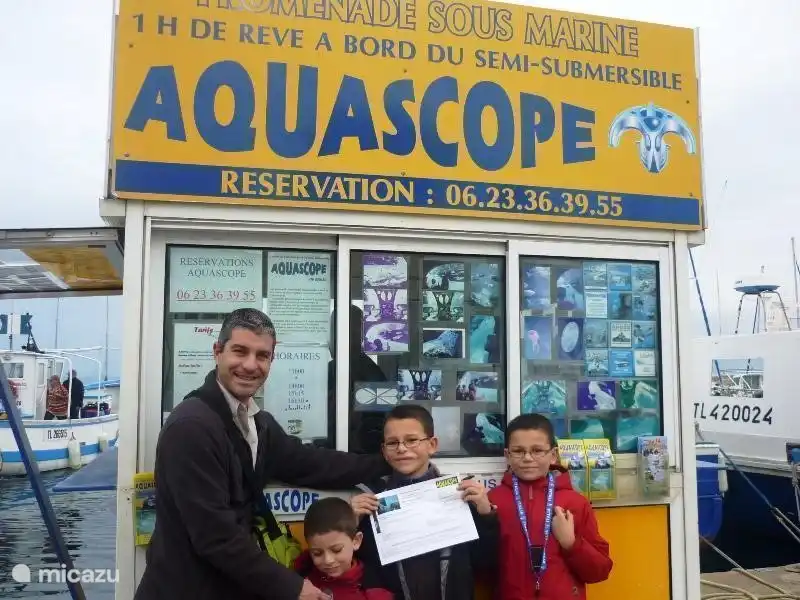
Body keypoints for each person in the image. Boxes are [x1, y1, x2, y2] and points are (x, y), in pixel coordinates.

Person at [134, 308, 392, 600]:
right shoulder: (191, 428)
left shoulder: (255, 422)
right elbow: (216, 537)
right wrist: (293, 587)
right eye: (239, 351)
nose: (249, 365)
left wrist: (385, 461)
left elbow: (311, 463)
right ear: (217, 351)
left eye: (261, 355)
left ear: (272, 359)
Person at [349, 405, 498, 600]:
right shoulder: (373, 502)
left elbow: (485, 562)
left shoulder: (460, 496)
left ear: (432, 444)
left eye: (411, 440)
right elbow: (360, 568)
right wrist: (350, 524)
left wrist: (486, 516)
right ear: (384, 451)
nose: (402, 448)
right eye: (393, 443)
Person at [487, 414, 612, 600]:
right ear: (507, 455)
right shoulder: (494, 501)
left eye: (537, 450)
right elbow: (482, 566)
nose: (528, 458)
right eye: (519, 451)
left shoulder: (575, 502)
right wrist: (485, 516)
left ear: (553, 455)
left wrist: (571, 544)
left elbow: (600, 571)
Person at [293, 497, 393, 600]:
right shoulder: (301, 576)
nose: (328, 560)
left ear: (356, 541)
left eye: (336, 550)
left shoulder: (374, 592)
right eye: (317, 553)